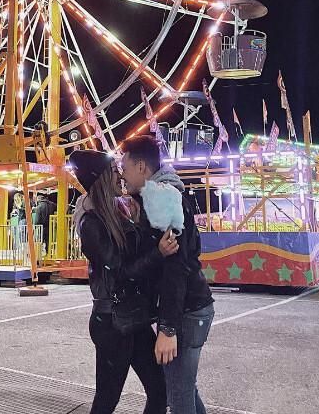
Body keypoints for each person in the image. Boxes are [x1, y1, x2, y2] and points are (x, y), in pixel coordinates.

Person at [69, 149, 180, 414]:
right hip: (111, 322)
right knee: (107, 399)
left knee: (159, 389)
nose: (119, 174)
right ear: (101, 178)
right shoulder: (91, 223)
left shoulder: (119, 213)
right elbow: (120, 270)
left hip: (133, 316)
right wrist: (158, 254)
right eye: (113, 171)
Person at [119, 134, 215, 414]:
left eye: (124, 168)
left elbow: (175, 268)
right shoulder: (168, 193)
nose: (122, 175)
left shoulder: (161, 198)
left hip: (185, 311)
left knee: (178, 393)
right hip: (193, 307)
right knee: (183, 386)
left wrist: (168, 328)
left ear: (140, 167)